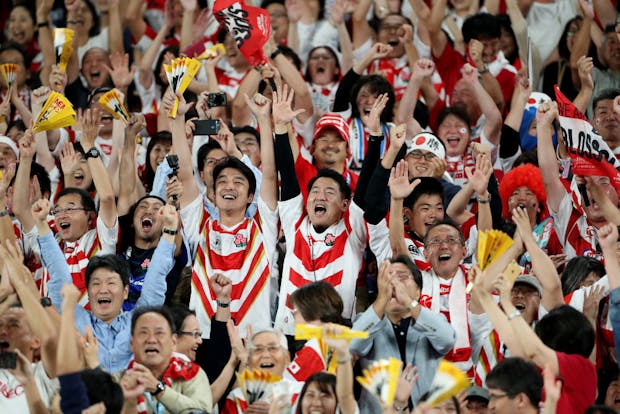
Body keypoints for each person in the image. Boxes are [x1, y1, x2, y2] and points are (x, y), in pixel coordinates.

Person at [273, 84, 384, 335]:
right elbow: (287, 173)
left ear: (346, 203)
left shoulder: (352, 230)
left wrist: (375, 136)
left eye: (329, 192)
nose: (319, 196)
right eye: (314, 192)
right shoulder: (295, 223)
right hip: (289, 334)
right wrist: (280, 128)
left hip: (334, 337)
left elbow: (367, 183)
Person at [168, 89, 278, 338]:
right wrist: (178, 120)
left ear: (251, 196)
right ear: (213, 193)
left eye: (239, 182)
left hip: (254, 339)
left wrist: (262, 119)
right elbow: (185, 172)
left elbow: (269, 174)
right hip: (205, 337)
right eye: (223, 182)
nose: (229, 186)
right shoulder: (200, 224)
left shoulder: (263, 226)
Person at [34, 195, 178, 372]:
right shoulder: (76, 319)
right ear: (88, 291)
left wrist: (170, 230)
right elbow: (59, 276)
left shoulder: (138, 321)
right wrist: (41, 225)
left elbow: (156, 277)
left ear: (125, 292)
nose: (103, 289)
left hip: (132, 396)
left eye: (111, 283)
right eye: (96, 283)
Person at [350, 256, 455, 412]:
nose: (394, 284)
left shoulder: (432, 321)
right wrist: (381, 299)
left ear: (418, 292)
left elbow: (447, 340)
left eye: (402, 277)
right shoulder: (366, 322)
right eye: (388, 278)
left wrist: (408, 302)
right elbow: (353, 345)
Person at [122, 306, 212, 413]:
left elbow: (202, 411)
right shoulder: (118, 380)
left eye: (159, 333)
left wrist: (159, 389)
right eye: (143, 333)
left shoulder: (193, 375)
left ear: (173, 342)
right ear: (132, 343)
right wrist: (129, 402)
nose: (151, 340)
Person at [223, 329, 303, 413]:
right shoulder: (237, 398)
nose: (265, 355)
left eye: (273, 348)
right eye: (258, 349)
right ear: (249, 361)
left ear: (287, 358)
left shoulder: (303, 392)